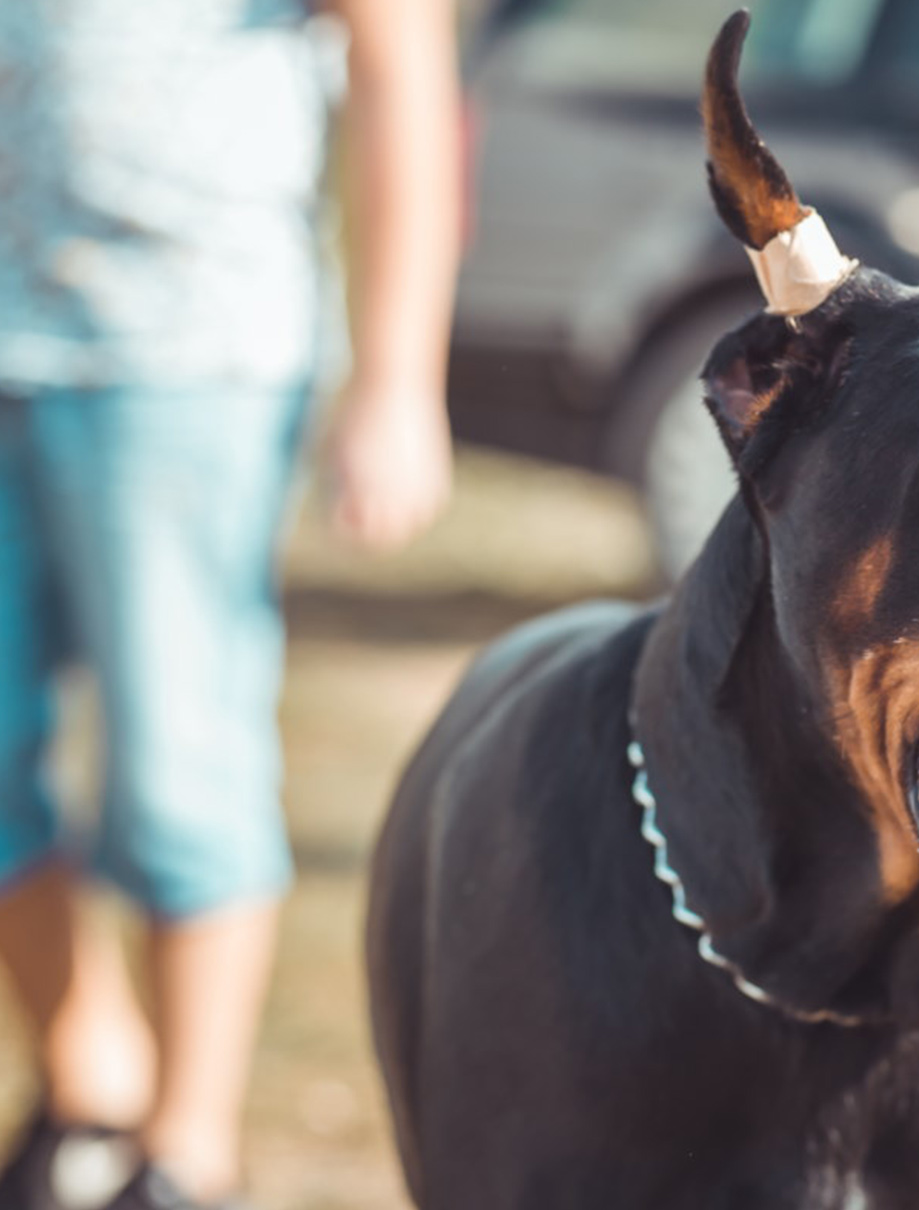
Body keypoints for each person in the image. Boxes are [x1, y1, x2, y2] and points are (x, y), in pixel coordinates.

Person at [0, 1, 460, 1207]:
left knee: (174, 772)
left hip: (185, 360)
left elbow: (401, 51)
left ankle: (188, 1151)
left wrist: (398, 374)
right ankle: (86, 1078)